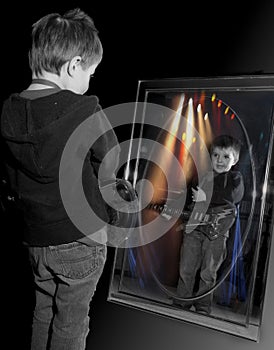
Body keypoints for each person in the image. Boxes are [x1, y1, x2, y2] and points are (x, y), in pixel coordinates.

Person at [0, 8, 120, 350]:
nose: (89, 83)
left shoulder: (8, 112)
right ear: (74, 65)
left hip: (36, 238)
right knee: (71, 321)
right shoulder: (85, 110)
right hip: (81, 237)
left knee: (43, 313)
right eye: (91, 74)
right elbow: (109, 160)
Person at [174, 135, 244, 314]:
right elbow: (192, 200)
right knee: (186, 267)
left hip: (217, 234)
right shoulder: (203, 176)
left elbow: (231, 197)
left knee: (208, 272)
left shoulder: (235, 178)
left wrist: (206, 197)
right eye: (216, 155)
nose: (220, 160)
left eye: (226, 157)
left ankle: (203, 306)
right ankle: (182, 300)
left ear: (235, 159)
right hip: (195, 228)